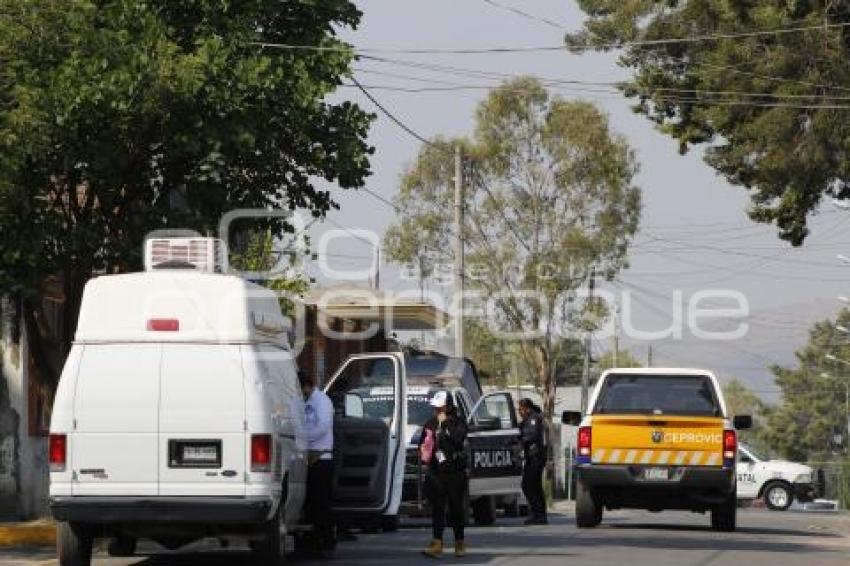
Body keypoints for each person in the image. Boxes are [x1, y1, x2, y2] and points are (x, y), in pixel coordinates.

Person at [419, 390, 468, 558]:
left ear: (448, 407)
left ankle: (459, 543)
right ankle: (437, 543)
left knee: (456, 509)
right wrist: (424, 453)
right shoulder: (430, 423)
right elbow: (423, 443)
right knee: (437, 509)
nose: (436, 411)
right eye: (435, 408)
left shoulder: (458, 422)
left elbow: (458, 439)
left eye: (440, 408)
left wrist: (445, 425)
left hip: (455, 472)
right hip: (435, 472)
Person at [300, 370, 335, 558]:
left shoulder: (321, 401)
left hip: (321, 457)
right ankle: (310, 541)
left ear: (308, 385)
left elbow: (322, 427)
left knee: (321, 502)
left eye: (302, 389)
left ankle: (326, 539)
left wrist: (302, 438)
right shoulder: (303, 401)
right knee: (310, 503)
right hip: (307, 455)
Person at [519, 398, 548, 525]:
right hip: (532, 457)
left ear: (527, 408)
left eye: (520, 409)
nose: (519, 412)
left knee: (528, 485)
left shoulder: (534, 418)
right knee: (534, 486)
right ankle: (539, 514)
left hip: (536, 456)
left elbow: (533, 435)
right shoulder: (527, 420)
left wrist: (521, 439)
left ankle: (538, 514)